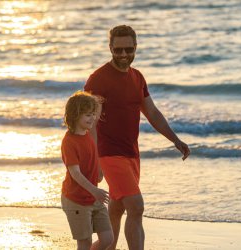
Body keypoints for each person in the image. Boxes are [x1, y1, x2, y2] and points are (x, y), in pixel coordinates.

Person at [84, 25, 191, 250]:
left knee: (117, 208)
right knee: (136, 206)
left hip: (131, 153)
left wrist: (175, 139)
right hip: (108, 153)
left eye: (128, 49)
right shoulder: (98, 79)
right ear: (110, 48)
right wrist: (94, 161)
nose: (123, 55)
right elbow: (89, 123)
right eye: (118, 50)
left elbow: (151, 112)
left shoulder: (137, 77)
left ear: (136, 47)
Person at [61, 91, 114, 250]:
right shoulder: (69, 141)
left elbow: (93, 155)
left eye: (93, 114)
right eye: (87, 115)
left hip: (92, 197)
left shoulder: (87, 135)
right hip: (76, 199)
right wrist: (94, 191)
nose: (92, 118)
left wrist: (98, 168)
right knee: (84, 243)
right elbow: (75, 173)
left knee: (107, 239)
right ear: (75, 115)